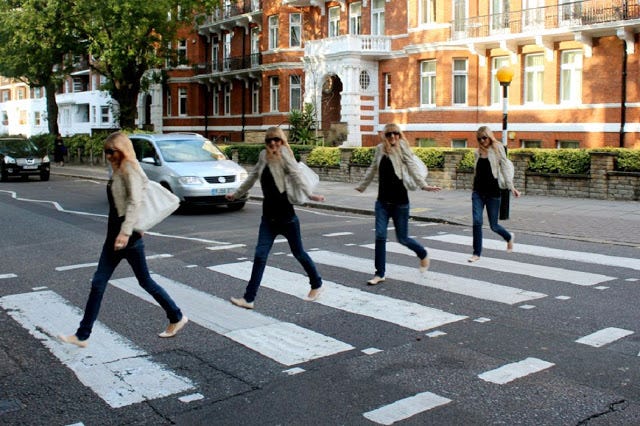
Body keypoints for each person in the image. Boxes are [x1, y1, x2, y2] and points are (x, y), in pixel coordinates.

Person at [59, 132, 187, 348]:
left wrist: (127, 232)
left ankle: (177, 316)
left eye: (111, 151)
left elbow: (136, 201)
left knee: (141, 281)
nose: (108, 156)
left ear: (122, 150)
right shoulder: (119, 168)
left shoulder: (129, 169)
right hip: (115, 236)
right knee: (100, 283)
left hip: (125, 237)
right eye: (106, 152)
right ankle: (82, 335)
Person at [225, 127, 325, 309]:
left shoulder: (285, 155)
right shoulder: (263, 156)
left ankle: (317, 284)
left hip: (287, 217)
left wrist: (310, 195)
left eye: (276, 140)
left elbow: (296, 175)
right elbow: (252, 177)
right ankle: (249, 298)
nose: (273, 144)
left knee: (299, 253)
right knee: (260, 256)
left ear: (281, 141)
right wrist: (237, 194)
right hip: (268, 218)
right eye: (269, 140)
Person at [355, 123, 441, 285]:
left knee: (403, 238)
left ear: (399, 135)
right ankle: (379, 273)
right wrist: (362, 186)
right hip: (382, 202)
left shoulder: (403, 148)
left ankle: (422, 253)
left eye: (396, 134)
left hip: (400, 202)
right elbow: (372, 169)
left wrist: (424, 185)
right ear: (385, 136)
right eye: (389, 134)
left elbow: (413, 168)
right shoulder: (380, 149)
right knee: (380, 236)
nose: (393, 137)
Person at [468, 126, 521, 263]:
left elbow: (505, 168)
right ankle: (476, 253)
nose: (482, 141)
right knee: (477, 221)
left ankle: (508, 237)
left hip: (493, 193)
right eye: (479, 139)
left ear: (489, 136)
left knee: (494, 226)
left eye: (484, 138)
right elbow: (476, 171)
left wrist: (512, 187)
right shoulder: (477, 152)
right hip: (478, 192)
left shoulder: (498, 148)